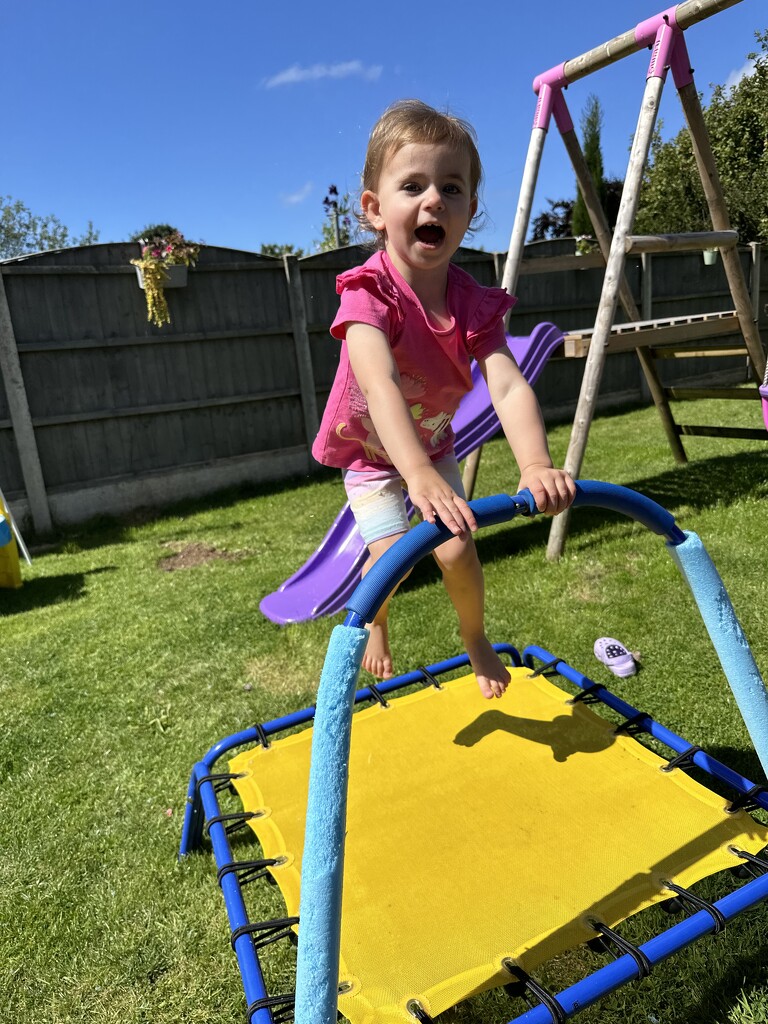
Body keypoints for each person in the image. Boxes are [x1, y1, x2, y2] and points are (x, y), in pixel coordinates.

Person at [312, 99, 575, 698]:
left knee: (457, 552)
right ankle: (375, 620)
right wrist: (415, 476)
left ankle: (475, 636)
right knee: (393, 562)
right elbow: (377, 384)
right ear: (375, 210)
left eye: (451, 188)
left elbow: (505, 383)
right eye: (413, 185)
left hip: (433, 446)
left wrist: (534, 464)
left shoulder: (472, 303)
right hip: (374, 460)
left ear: (469, 210)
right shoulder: (367, 295)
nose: (434, 199)